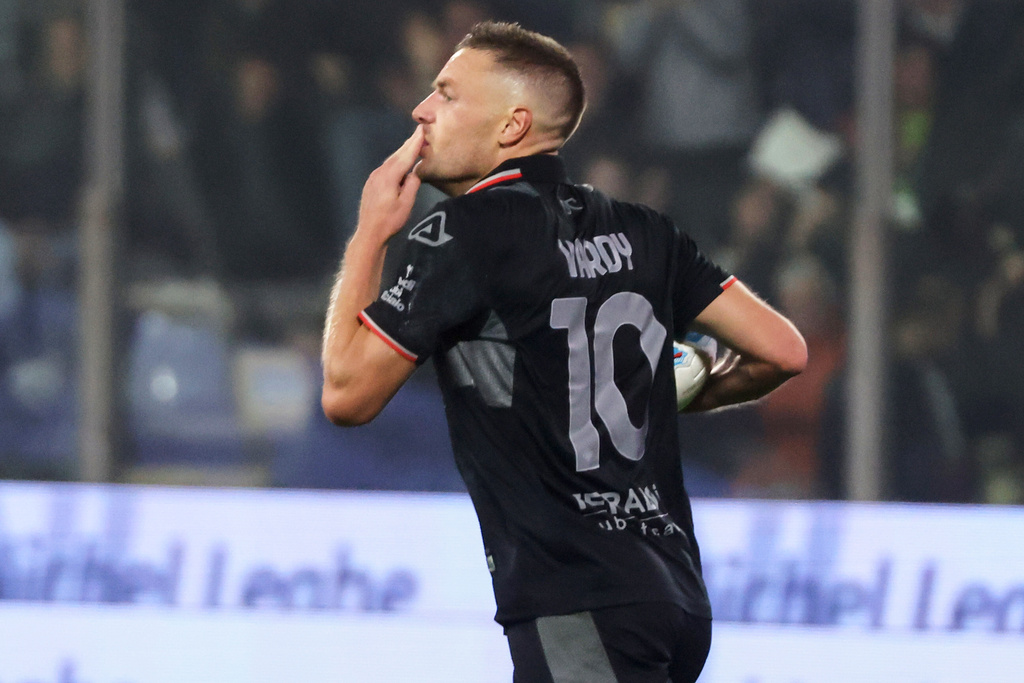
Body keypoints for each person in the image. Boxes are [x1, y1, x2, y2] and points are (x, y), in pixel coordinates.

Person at [321, 21, 806, 683]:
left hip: (579, 603)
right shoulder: (645, 230)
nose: (421, 110)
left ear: (511, 125)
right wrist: (676, 387)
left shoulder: (468, 232)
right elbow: (782, 349)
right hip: (674, 595)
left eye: (448, 94)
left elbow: (347, 393)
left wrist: (371, 234)